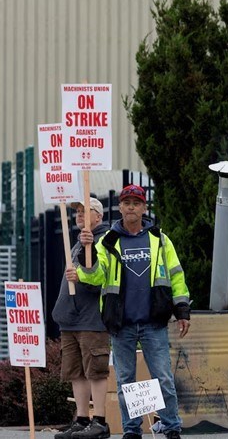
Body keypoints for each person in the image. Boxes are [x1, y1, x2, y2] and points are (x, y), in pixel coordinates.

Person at [67, 184, 190, 439]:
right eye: (127, 203)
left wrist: (182, 311)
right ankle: (132, 430)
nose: (131, 207)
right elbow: (96, 276)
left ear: (144, 208)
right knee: (125, 382)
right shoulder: (109, 240)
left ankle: (172, 427)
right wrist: (84, 259)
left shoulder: (159, 239)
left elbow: (177, 276)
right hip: (121, 323)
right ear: (120, 207)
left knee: (164, 379)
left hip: (153, 322)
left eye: (137, 202)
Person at [53, 197, 111, 439]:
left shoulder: (104, 241)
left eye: (85, 211)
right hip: (71, 319)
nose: (79, 215)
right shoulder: (77, 243)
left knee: (95, 370)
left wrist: (90, 254)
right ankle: (81, 419)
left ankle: (99, 421)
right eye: (77, 211)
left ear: (98, 216)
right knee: (75, 371)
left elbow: (100, 274)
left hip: (91, 319)